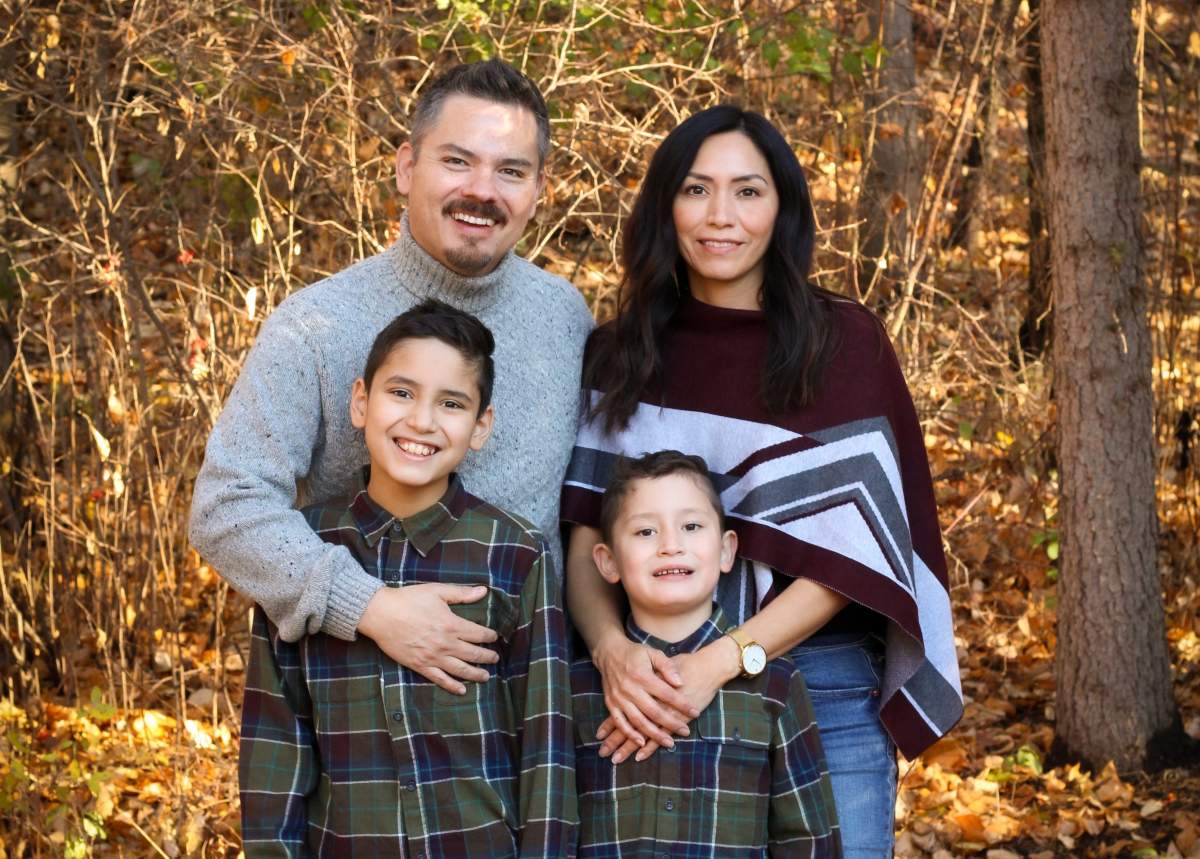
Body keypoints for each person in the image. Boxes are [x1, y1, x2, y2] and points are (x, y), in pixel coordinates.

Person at [562, 105, 962, 858]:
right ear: (664, 206)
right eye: (696, 190)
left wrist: (720, 661)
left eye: (748, 191)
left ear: (782, 209)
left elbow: (853, 556)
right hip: (645, 679)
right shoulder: (620, 352)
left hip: (817, 680)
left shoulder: (842, 341)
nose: (721, 216)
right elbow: (587, 536)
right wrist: (612, 650)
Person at [189, 60, 593, 695]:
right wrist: (372, 608)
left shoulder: (566, 318)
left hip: (527, 707)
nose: (483, 190)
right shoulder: (317, 325)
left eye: (511, 171)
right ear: (408, 166)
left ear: (540, 187)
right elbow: (228, 506)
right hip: (364, 701)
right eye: (457, 161)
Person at [239, 299, 576, 857]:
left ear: (480, 426)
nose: (421, 421)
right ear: (360, 402)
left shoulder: (514, 554)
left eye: (451, 403)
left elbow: (546, 747)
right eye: (401, 392)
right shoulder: (303, 548)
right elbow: (275, 745)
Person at [572, 450, 841, 859]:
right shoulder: (573, 688)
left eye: (692, 526)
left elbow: (806, 839)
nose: (671, 546)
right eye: (645, 532)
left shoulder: (775, 687)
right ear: (608, 562)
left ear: (726, 551)